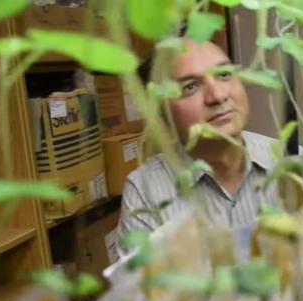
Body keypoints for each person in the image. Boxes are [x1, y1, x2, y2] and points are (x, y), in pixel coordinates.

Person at [117, 38, 279, 236]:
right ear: (163, 112)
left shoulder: (290, 160)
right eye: (190, 86)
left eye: (224, 74)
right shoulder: (144, 191)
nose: (217, 96)